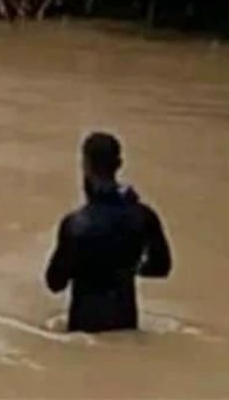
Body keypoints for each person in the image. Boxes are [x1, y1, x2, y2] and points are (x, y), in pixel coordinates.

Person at [44, 132, 172, 333]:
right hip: (126, 326)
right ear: (119, 164)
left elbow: (55, 283)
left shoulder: (75, 225)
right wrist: (129, 267)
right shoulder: (143, 216)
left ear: (85, 166)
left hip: (83, 334)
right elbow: (161, 267)